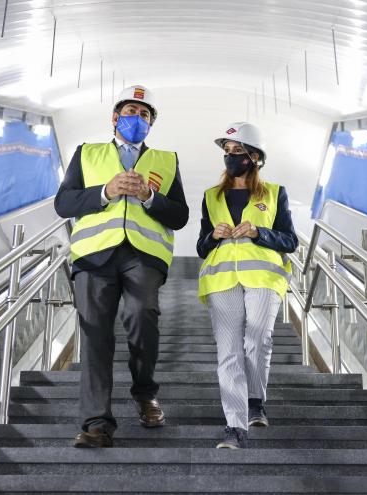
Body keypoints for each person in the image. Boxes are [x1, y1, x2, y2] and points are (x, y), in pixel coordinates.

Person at [54, 85, 189, 448]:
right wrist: (105, 193)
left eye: (145, 115)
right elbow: (64, 203)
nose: (137, 119)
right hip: (93, 257)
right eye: (131, 111)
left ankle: (145, 394)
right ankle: (97, 422)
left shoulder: (166, 160)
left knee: (142, 316)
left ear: (150, 125)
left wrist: (149, 197)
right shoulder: (87, 154)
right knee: (95, 333)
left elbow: (180, 215)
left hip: (142, 256)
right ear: (115, 118)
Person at [196, 122, 298, 449]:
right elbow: (201, 246)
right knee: (228, 350)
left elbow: (290, 240)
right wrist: (213, 235)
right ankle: (235, 427)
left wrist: (259, 233)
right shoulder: (211, 197)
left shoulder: (274, 193)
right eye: (226, 152)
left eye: (236, 151)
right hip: (221, 277)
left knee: (257, 339)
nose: (230, 157)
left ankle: (255, 400)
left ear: (254, 157)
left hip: (264, 277)